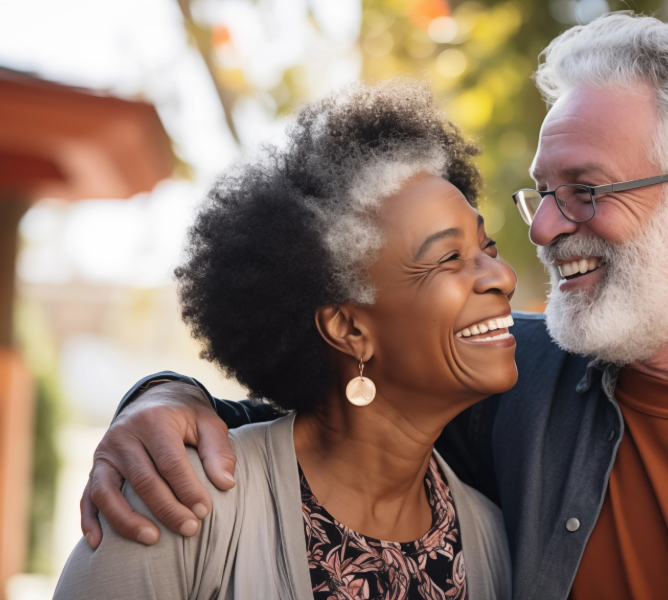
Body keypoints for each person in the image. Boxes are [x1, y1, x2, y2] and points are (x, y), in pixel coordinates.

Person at [80, 14, 668, 600]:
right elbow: (324, 419)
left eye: (587, 190)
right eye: (540, 194)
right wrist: (165, 400)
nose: (548, 230)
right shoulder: (506, 386)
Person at [55, 80, 514, 600]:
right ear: (349, 329)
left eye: (487, 245)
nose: (502, 276)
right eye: (448, 257)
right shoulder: (184, 501)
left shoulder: (491, 543)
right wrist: (163, 390)